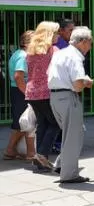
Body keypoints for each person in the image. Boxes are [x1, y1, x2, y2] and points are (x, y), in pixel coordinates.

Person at [47, 27, 94, 183]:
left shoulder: (60, 53)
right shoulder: (75, 57)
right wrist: (86, 82)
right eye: (90, 43)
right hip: (68, 97)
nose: (90, 47)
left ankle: (61, 164)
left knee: (73, 133)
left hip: (54, 97)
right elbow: (77, 85)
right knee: (73, 135)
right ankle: (69, 174)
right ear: (82, 42)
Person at [24, 21, 60, 172]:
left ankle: (40, 161)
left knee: (42, 124)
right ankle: (42, 155)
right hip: (46, 92)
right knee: (56, 123)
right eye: (56, 32)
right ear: (49, 34)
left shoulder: (31, 50)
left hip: (32, 92)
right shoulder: (53, 50)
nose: (58, 35)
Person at [4, 30, 35, 161]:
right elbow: (18, 76)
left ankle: (13, 151)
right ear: (26, 43)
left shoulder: (18, 53)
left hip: (19, 90)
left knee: (23, 123)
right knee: (26, 123)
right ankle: (28, 153)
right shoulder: (23, 56)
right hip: (21, 91)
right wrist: (28, 93)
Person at [50, 17, 74, 154]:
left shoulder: (64, 42)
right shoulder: (58, 45)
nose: (72, 32)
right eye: (70, 30)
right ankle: (58, 143)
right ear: (61, 30)